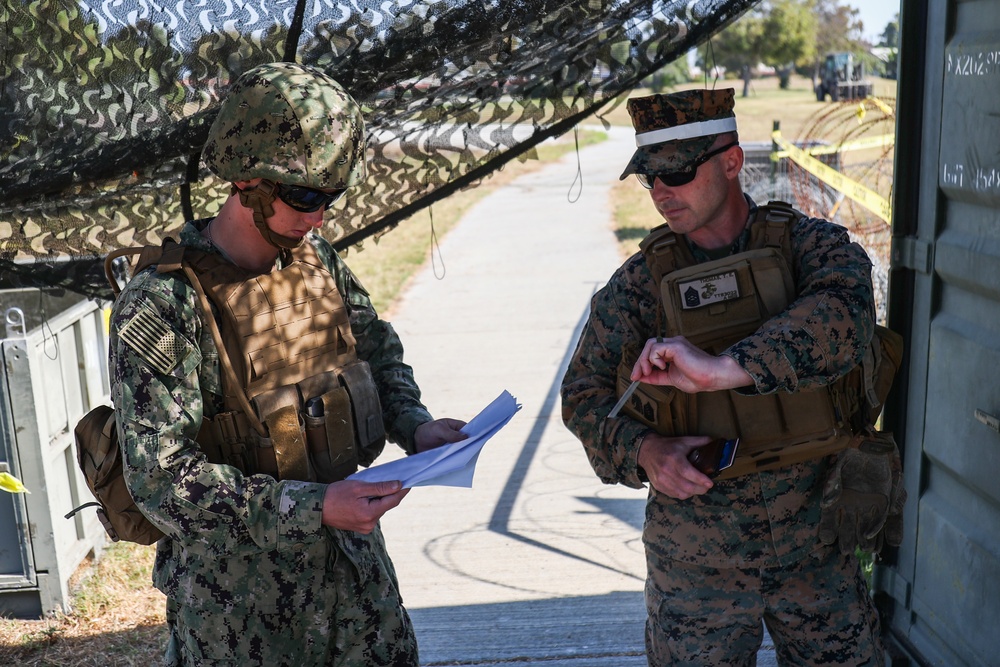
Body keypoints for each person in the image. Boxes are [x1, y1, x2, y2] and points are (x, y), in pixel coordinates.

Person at [109, 62, 467, 666]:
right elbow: (160, 481)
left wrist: (417, 427)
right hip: (242, 617)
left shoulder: (316, 258)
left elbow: (378, 353)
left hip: (358, 594)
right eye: (305, 196)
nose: (320, 216)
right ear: (248, 184)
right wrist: (312, 507)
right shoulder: (164, 302)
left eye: (330, 196)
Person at [561, 88, 896, 665]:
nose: (663, 192)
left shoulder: (813, 248)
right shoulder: (639, 286)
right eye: (651, 179)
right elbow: (583, 396)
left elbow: (843, 316)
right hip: (697, 561)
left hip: (818, 543)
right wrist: (645, 452)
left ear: (732, 161)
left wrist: (724, 370)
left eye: (680, 172)